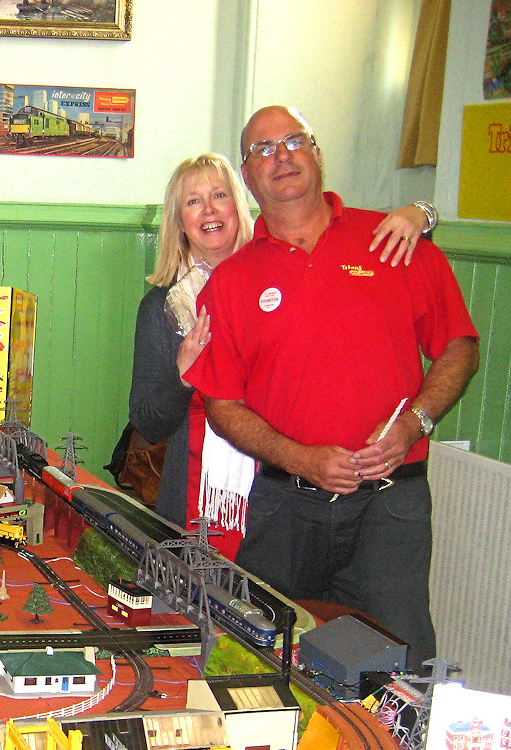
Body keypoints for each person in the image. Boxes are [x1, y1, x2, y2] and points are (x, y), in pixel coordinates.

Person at [187, 105, 479, 670]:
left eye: (294, 140)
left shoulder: (393, 242)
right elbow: (222, 405)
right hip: (285, 509)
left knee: (400, 670)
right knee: (262, 658)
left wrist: (414, 423)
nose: (282, 156)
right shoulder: (232, 282)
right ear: (247, 176)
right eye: (263, 149)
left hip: (389, 507)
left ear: (317, 153)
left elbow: (459, 347)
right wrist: (301, 458)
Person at [128, 153, 433, 560]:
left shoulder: (277, 275)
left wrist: (422, 213)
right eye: (193, 201)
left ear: (239, 206)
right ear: (179, 221)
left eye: (219, 195)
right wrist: (182, 378)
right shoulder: (162, 307)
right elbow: (148, 421)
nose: (209, 210)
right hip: (194, 501)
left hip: (284, 492)